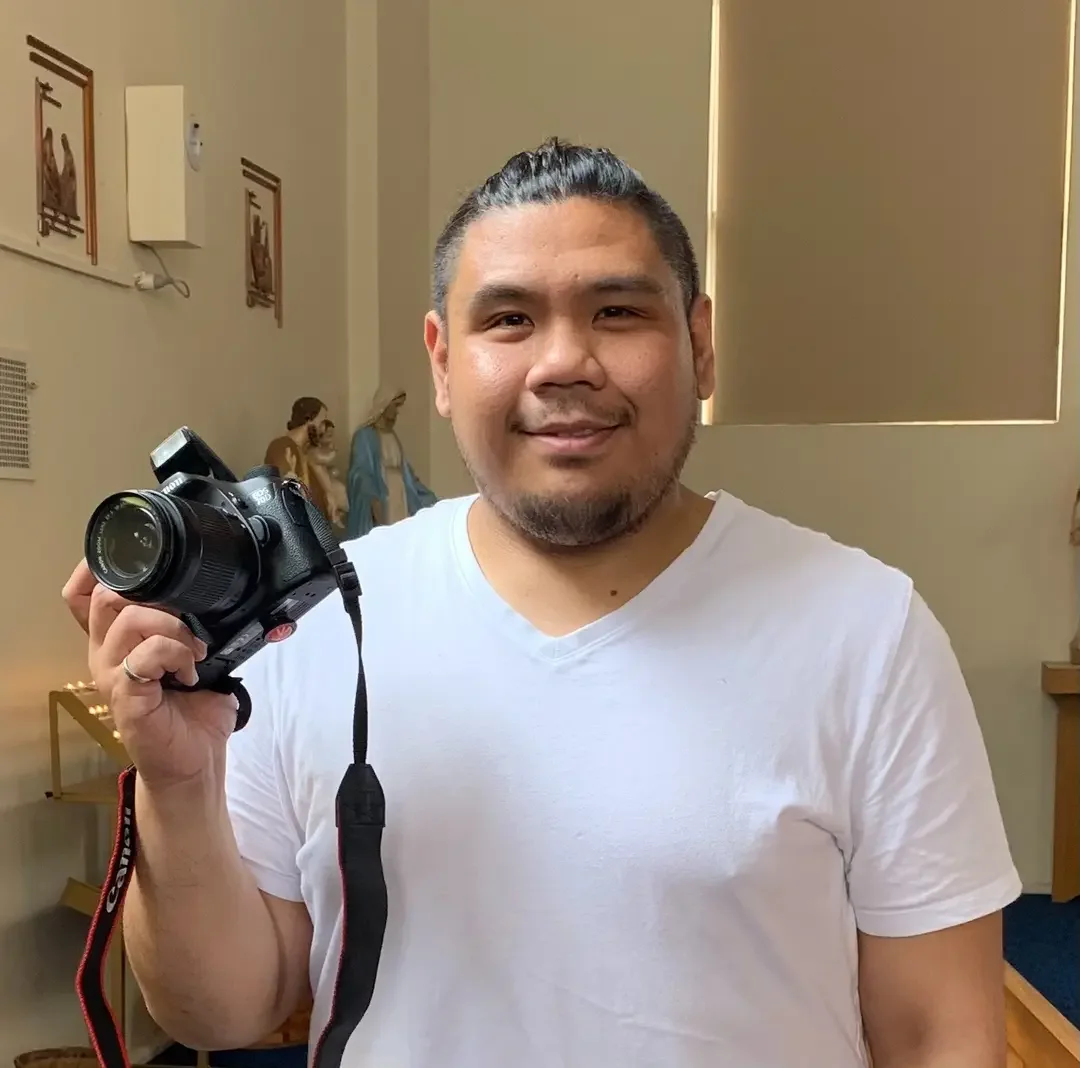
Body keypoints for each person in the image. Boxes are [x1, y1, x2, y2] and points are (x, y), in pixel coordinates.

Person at [63, 138, 1021, 1068]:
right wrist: (179, 793)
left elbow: (942, 1038)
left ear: (700, 345)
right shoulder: (319, 624)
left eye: (616, 312)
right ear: (442, 362)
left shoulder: (864, 630)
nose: (563, 362)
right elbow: (220, 1010)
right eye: (510, 320)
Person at [345, 384, 437, 538]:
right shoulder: (365, 436)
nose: (397, 411)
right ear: (384, 405)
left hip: (400, 494)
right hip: (384, 495)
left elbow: (406, 472)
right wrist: (372, 498)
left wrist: (427, 496)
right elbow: (359, 472)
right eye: (395, 406)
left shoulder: (391, 435)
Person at [265, 397, 346, 529]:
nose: (323, 429)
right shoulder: (282, 447)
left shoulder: (306, 451)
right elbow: (288, 491)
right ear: (309, 420)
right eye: (322, 422)